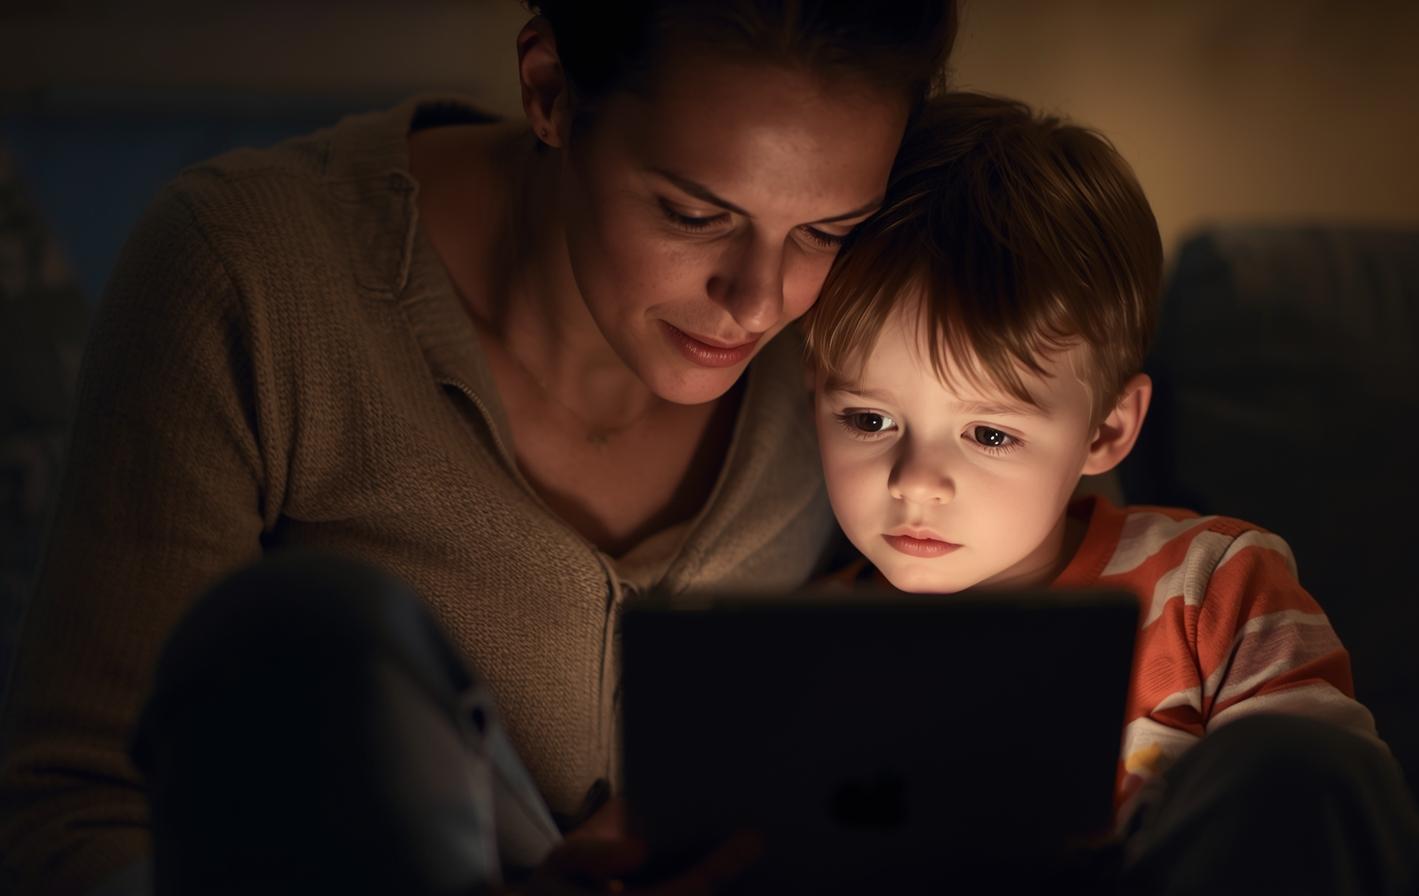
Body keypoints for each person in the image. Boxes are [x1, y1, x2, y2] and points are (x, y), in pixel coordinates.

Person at [0, 2, 958, 894]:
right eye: (693, 214)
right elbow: (77, 810)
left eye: (828, 230)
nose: (759, 302)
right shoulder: (248, 272)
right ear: (549, 90)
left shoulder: (867, 342)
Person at [803, 92, 1419, 894]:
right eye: (868, 417)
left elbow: (1318, 813)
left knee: (1298, 765)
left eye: (989, 434)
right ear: (813, 390)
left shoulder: (1211, 586)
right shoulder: (807, 644)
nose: (916, 483)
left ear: (1105, 431)